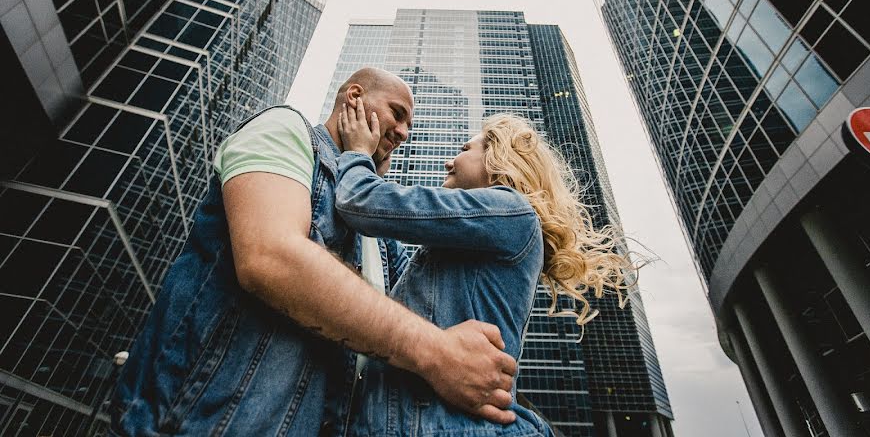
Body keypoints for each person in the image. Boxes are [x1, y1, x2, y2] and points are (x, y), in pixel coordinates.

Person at [110, 68, 518, 436]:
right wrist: (437, 352)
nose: (404, 133)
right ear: (353, 97)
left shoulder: (385, 244)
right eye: (397, 113)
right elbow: (271, 258)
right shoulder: (287, 131)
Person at [334, 100, 635, 436]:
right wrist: (376, 172)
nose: (449, 160)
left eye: (464, 149)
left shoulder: (510, 210)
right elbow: (397, 276)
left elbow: (359, 202)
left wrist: (357, 153)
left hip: (444, 427)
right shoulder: (473, 238)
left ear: (496, 158)